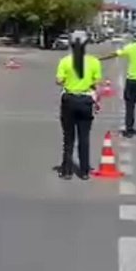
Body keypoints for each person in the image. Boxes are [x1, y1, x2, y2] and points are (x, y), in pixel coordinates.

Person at [55, 30, 103, 180]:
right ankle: (84, 171)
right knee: (84, 137)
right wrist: (97, 101)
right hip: (86, 100)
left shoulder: (65, 61)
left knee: (68, 138)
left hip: (69, 100)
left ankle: (67, 170)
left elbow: (59, 80)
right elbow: (97, 83)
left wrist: (69, 80)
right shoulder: (94, 62)